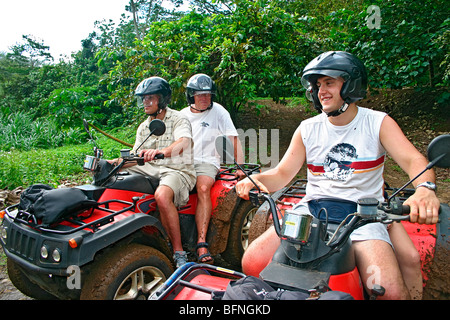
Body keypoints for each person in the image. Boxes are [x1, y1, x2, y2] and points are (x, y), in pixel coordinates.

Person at [235, 51, 440, 300]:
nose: (321, 91)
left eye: (329, 82)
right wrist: (255, 180)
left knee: (388, 291)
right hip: (310, 213)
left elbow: (414, 161)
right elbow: (281, 173)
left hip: (364, 217)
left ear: (351, 84)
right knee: (252, 262)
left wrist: (425, 189)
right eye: (318, 85)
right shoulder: (308, 128)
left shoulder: (377, 123)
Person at [110, 76, 196, 268]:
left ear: (162, 100)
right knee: (117, 181)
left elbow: (184, 142)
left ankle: (179, 252)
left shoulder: (178, 119)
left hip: (177, 168)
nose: (145, 102)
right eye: (144, 98)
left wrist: (162, 153)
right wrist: (111, 164)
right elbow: (135, 158)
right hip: (152, 169)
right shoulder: (144, 126)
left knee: (162, 196)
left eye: (150, 98)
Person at [180, 73, 245, 263]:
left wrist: (239, 165)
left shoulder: (218, 111)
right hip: (184, 161)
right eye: (200, 95)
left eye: (207, 95)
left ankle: (201, 243)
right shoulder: (182, 115)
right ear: (191, 96)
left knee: (202, 187)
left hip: (208, 161)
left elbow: (234, 137)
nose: (204, 98)